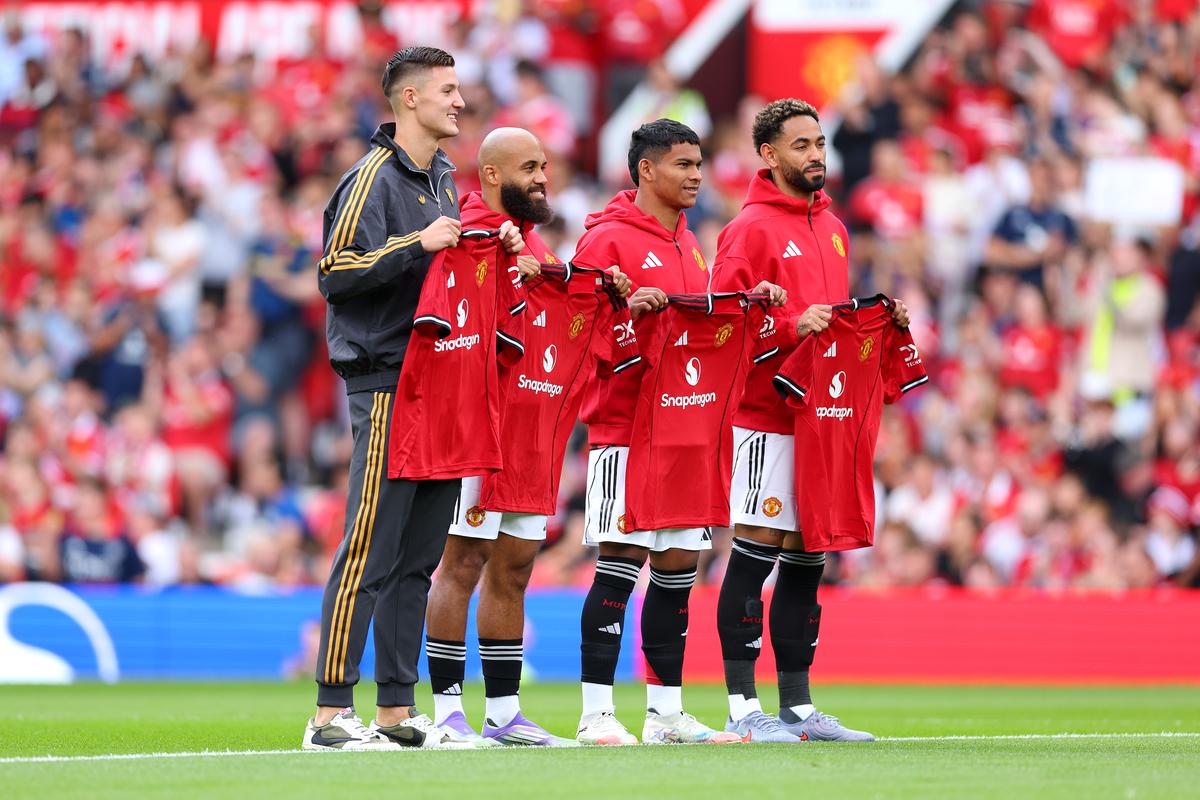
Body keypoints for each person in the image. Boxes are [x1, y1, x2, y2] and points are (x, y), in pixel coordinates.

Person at [302, 46, 523, 752]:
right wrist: (415, 244)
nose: (460, 102)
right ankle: (331, 714)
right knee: (370, 546)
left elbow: (449, 264)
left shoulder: (442, 178)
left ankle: (396, 711)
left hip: (441, 384)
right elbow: (334, 272)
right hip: (388, 383)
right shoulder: (372, 178)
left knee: (417, 559)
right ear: (409, 101)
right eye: (448, 90)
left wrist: (494, 241)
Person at [710, 98, 908, 742]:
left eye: (819, 143)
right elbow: (723, 323)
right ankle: (743, 710)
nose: (816, 154)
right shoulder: (748, 231)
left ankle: (796, 707)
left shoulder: (834, 228)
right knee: (754, 553)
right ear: (768, 155)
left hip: (823, 416)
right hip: (765, 416)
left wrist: (876, 321)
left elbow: (829, 325)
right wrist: (796, 323)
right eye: (800, 145)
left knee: (807, 556)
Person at [422, 127, 626, 748]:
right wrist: (510, 264)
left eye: (545, 166)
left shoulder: (534, 246)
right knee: (460, 565)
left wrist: (609, 296)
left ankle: (505, 715)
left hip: (535, 437)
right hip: (477, 436)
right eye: (530, 167)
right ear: (490, 174)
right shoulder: (463, 234)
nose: (543, 177)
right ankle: (448, 713)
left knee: (513, 571)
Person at [573, 119, 761, 746]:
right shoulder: (606, 242)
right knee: (620, 560)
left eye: (699, 163)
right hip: (625, 427)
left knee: (679, 565)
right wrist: (627, 309)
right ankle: (596, 713)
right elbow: (574, 333)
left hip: (686, 426)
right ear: (646, 169)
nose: (696, 175)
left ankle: (665, 714)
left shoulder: (689, 243)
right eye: (683, 164)